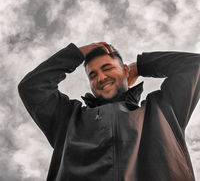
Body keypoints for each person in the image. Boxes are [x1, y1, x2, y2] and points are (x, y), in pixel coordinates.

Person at [18, 42, 200, 181]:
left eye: (107, 68)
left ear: (125, 71)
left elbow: (194, 66)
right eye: (93, 75)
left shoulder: (162, 110)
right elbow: (32, 87)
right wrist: (78, 53)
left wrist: (141, 66)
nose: (101, 78)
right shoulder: (68, 119)